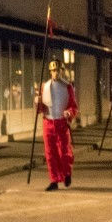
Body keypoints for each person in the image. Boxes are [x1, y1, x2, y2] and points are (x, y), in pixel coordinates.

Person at [35, 60, 79, 190]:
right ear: (50, 72)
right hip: (48, 122)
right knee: (50, 153)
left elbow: (73, 106)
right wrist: (38, 102)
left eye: (58, 70)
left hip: (61, 122)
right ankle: (54, 180)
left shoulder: (68, 87)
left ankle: (67, 173)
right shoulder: (45, 86)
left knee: (64, 151)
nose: (56, 73)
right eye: (54, 71)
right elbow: (41, 109)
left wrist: (69, 112)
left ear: (62, 71)